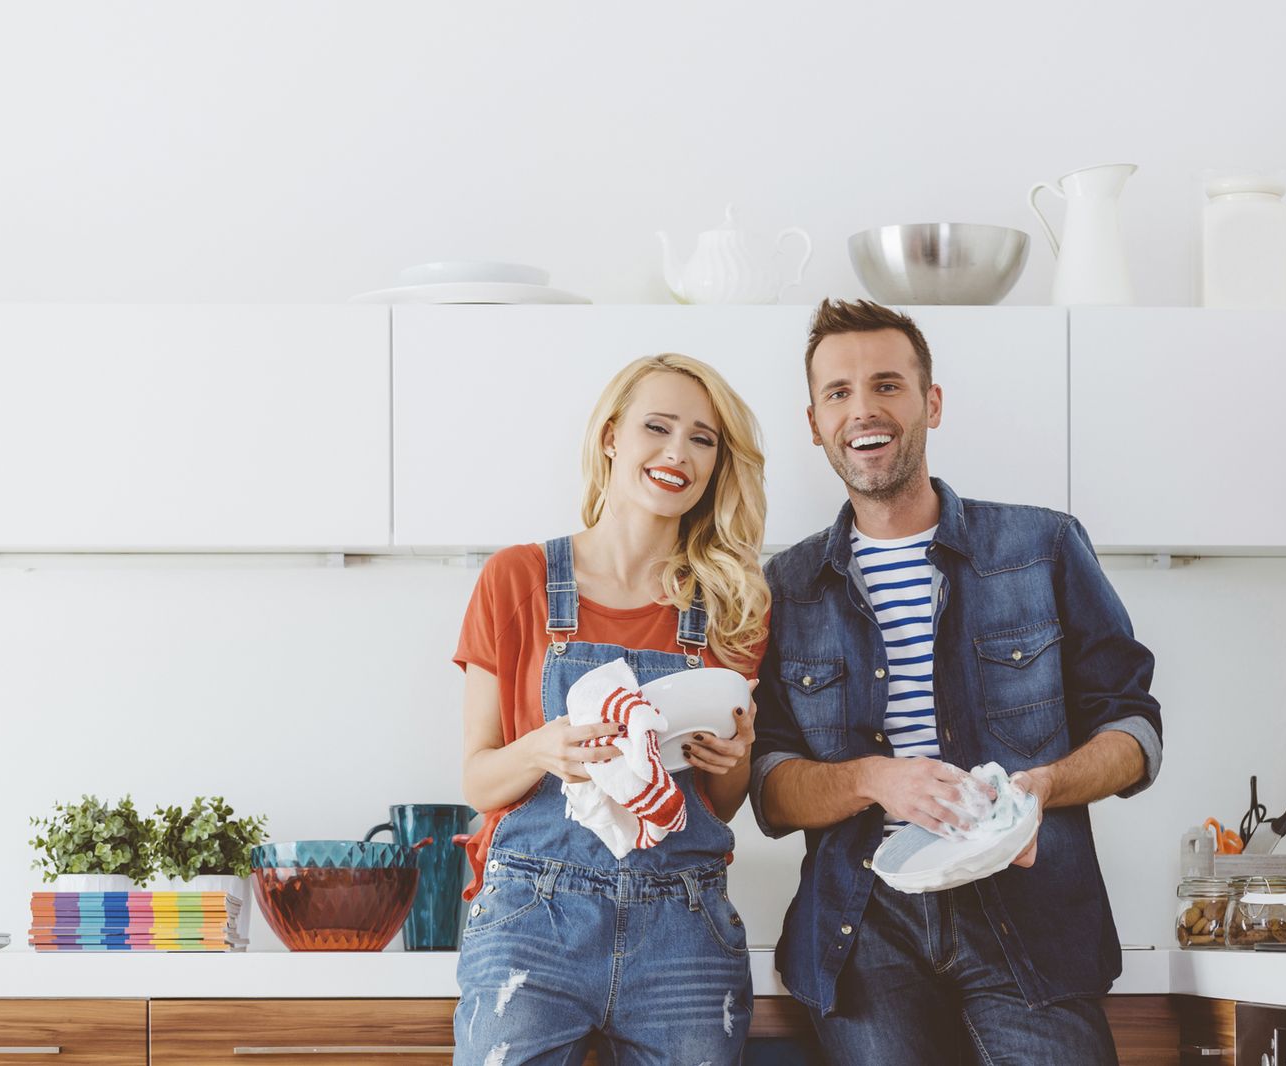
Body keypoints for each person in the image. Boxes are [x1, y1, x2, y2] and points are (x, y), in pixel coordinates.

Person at [750, 300, 1163, 1065]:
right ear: (814, 422)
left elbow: (1135, 732)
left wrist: (1040, 787)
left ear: (930, 402)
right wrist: (876, 780)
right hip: (860, 926)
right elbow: (770, 789)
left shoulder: (1042, 546)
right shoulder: (788, 586)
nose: (863, 409)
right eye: (838, 393)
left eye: (887, 385)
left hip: (1030, 916)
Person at [451, 353, 770, 1065]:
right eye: (657, 427)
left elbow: (719, 804)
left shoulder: (734, 602)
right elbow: (477, 782)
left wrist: (736, 758)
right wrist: (543, 749)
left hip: (684, 925)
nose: (677, 453)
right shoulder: (517, 578)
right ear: (611, 438)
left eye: (702, 439)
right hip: (534, 917)